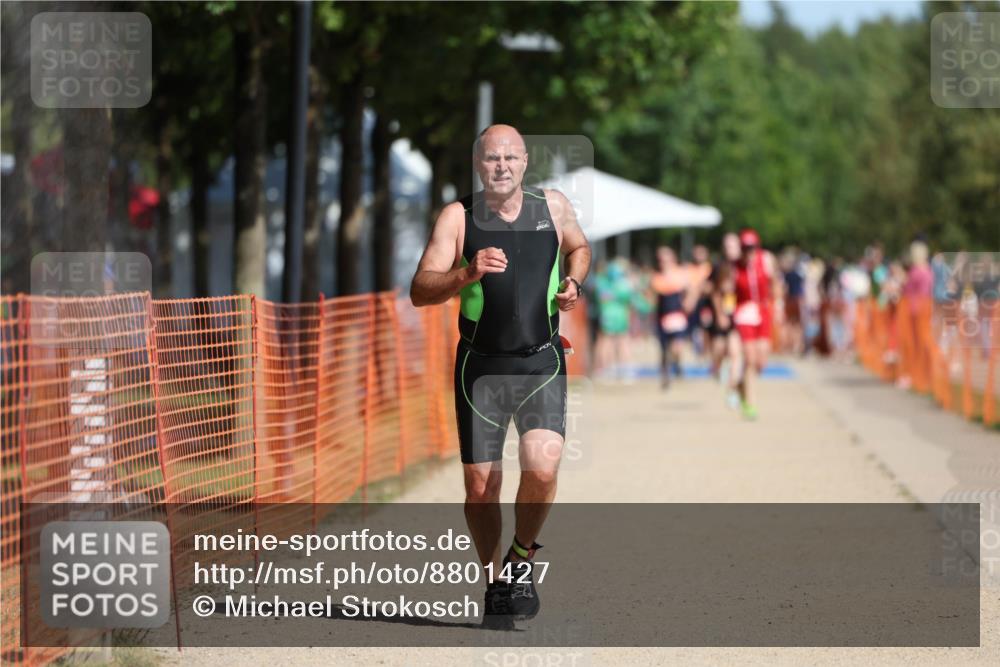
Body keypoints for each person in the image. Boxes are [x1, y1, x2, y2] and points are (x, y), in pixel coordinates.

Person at [409, 124, 591, 627]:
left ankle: (520, 559)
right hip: (480, 366)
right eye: (493, 158)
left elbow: (579, 247)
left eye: (511, 157)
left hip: (540, 360)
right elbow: (420, 289)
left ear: (525, 161)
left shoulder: (552, 207)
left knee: (543, 466)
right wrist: (466, 273)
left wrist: (574, 281)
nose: (502, 166)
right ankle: (494, 583)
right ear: (478, 163)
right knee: (480, 487)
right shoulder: (458, 217)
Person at [731, 228, 778, 420]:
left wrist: (778, 305)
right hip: (744, 313)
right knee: (749, 359)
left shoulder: (766, 260)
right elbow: (728, 292)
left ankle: (741, 385)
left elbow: (775, 284)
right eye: (745, 248)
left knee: (761, 361)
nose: (749, 252)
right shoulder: (734, 267)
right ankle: (750, 402)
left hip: (762, 311)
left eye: (752, 248)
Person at [651, 245, 693, 390]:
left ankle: (677, 364)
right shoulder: (656, 277)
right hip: (662, 317)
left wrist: (688, 302)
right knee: (663, 351)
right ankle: (665, 376)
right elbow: (652, 297)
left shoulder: (680, 274)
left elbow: (690, 290)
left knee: (677, 347)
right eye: (660, 259)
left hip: (677, 315)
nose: (663, 262)